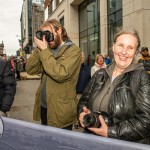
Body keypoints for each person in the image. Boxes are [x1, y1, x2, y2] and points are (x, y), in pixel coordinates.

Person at [77, 28, 150, 144]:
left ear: (136, 52)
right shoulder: (99, 74)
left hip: (121, 145)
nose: (124, 52)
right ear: (114, 46)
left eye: (130, 48)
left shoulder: (141, 78)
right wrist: (82, 113)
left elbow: (146, 121)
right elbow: (83, 101)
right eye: (120, 45)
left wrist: (110, 132)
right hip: (91, 140)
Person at [26, 19, 81, 130]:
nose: (46, 38)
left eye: (48, 34)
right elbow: (30, 69)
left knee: (61, 144)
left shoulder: (73, 51)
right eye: (43, 35)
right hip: (44, 107)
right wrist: (38, 50)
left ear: (59, 30)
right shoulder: (47, 51)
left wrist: (44, 51)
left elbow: (61, 74)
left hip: (61, 110)